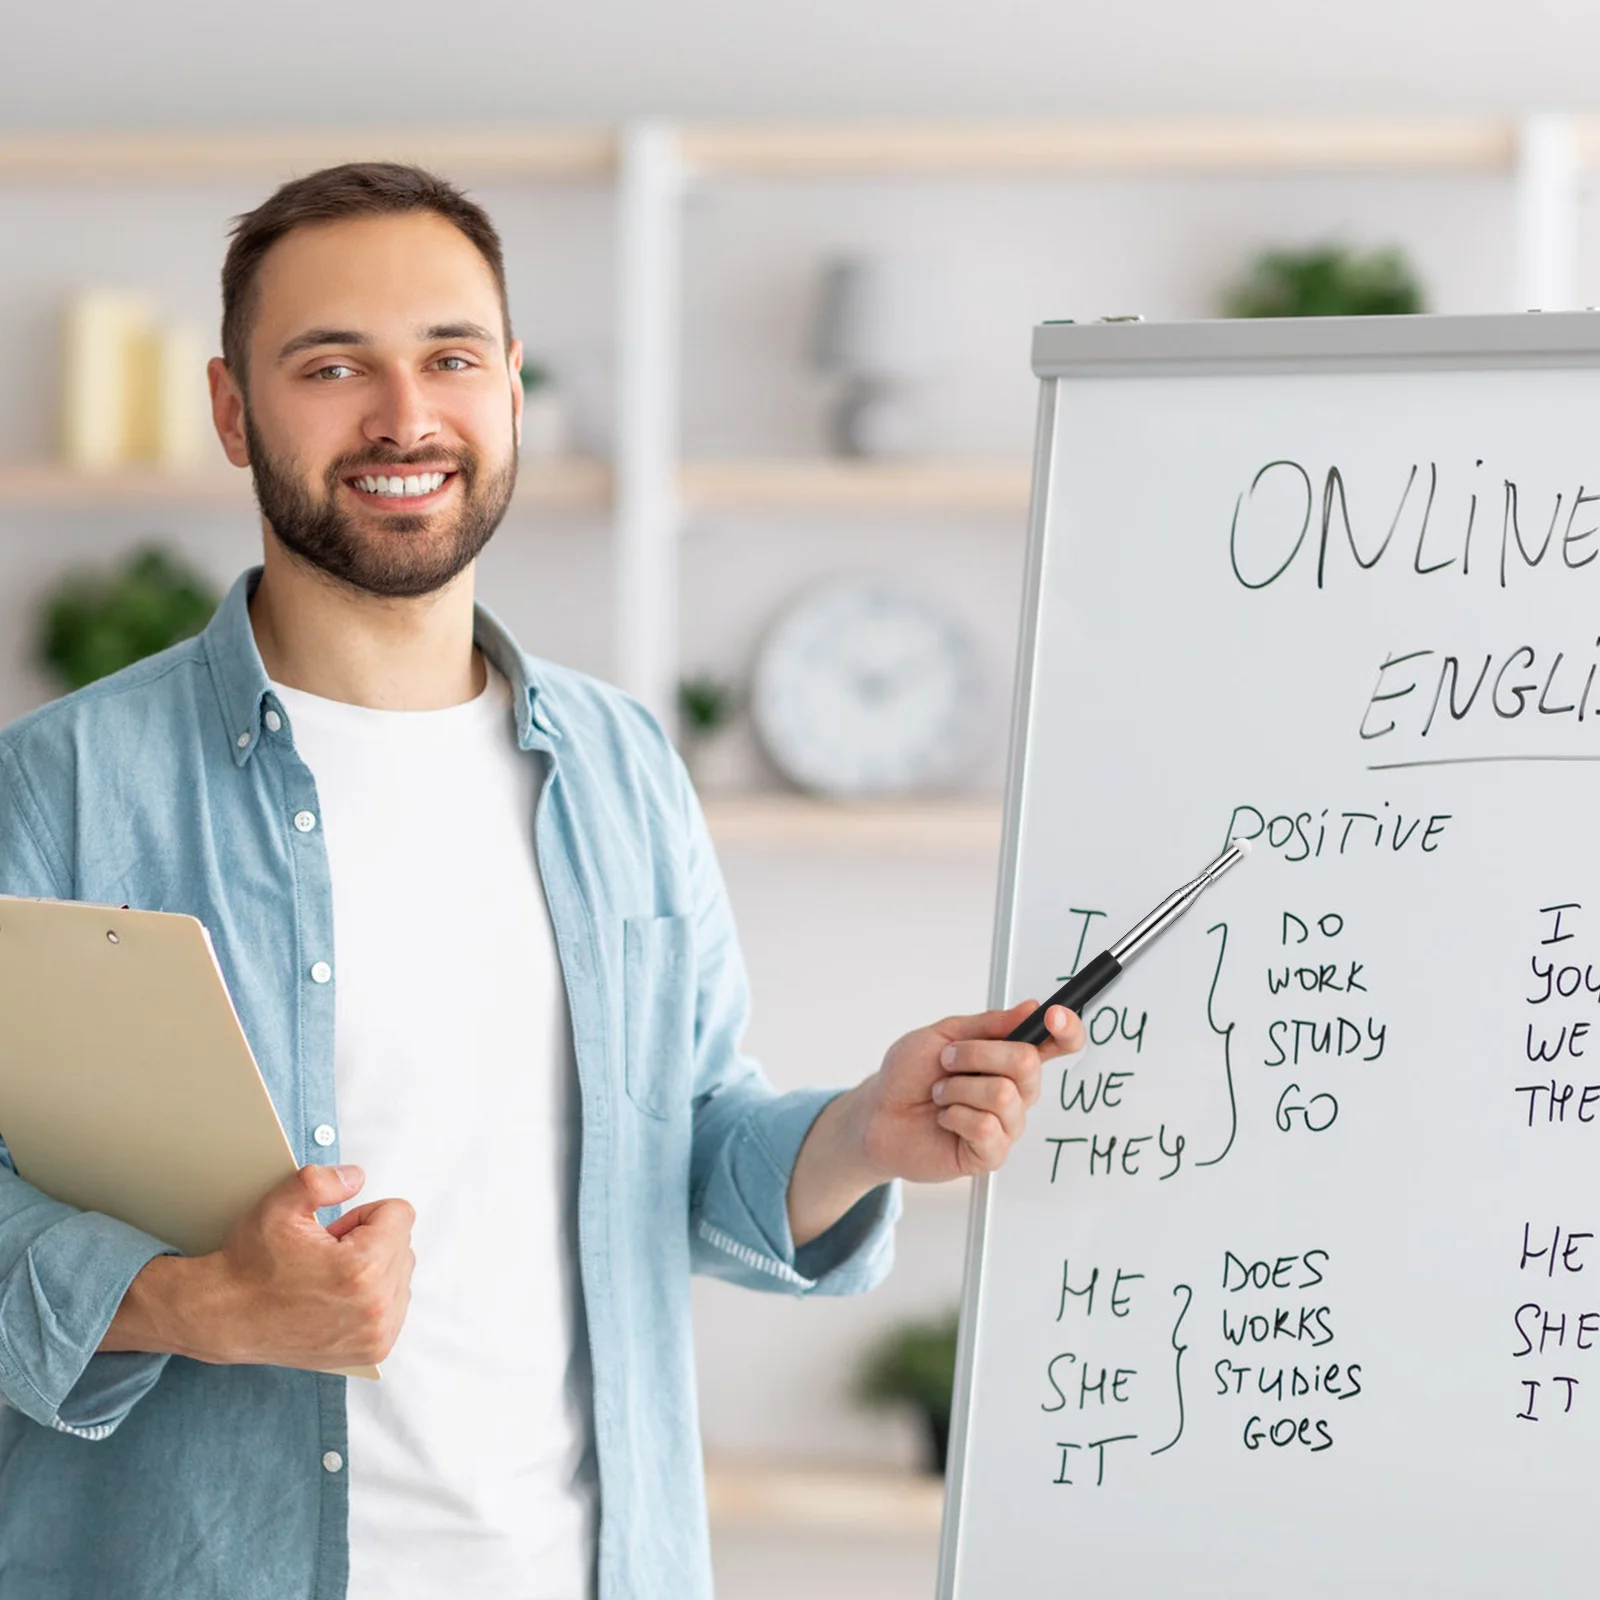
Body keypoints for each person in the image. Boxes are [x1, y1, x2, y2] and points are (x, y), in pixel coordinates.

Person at [0, 162, 1081, 1600]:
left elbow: (678, 1152)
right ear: (229, 407)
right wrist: (199, 1304)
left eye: (452, 357)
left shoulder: (621, 762)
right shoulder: (62, 786)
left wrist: (862, 1138)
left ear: (510, 387)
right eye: (333, 365)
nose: (405, 417)